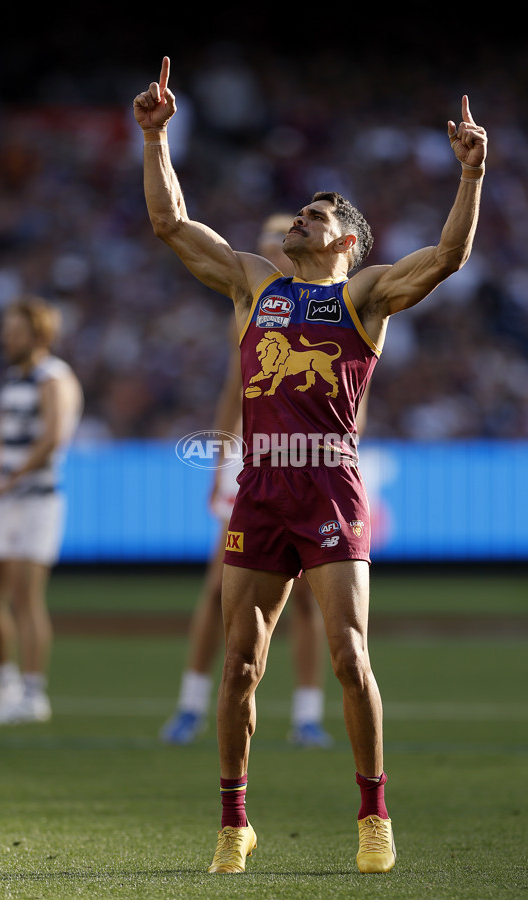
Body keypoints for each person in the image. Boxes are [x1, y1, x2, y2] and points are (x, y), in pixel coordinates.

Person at [134, 57, 487, 875]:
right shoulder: (255, 285)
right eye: (301, 209)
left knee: (347, 654)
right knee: (240, 665)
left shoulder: (363, 296)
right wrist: (154, 138)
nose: (300, 218)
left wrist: (471, 174)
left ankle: (373, 813)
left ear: (349, 239)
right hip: (261, 486)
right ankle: (234, 822)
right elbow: (173, 226)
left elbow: (446, 258)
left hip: (329, 481)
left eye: (317, 213)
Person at [160, 213, 367, 748]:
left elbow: (350, 399)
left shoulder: (337, 303)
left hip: (317, 462)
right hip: (254, 460)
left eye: (276, 240)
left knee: (306, 604)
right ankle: (191, 702)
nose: (271, 249)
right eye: (265, 242)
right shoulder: (257, 303)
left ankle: (305, 713)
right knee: (218, 592)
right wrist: (220, 464)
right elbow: (237, 390)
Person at [0, 296, 83, 726]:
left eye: (13, 331)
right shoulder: (13, 379)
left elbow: (54, 436)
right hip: (3, 498)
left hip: (36, 500)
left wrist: (13, 477)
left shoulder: (53, 377)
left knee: (24, 597)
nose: (4, 338)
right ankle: (6, 685)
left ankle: (34, 693)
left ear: (38, 334)